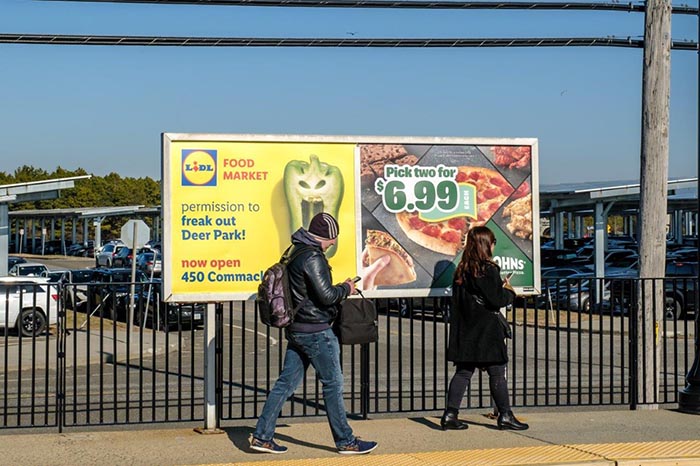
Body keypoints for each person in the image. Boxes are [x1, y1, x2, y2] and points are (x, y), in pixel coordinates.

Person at [251, 212, 379, 455]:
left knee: (284, 384)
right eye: (333, 239)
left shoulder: (294, 251)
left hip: (297, 328)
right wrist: (346, 287)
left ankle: (262, 436)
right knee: (333, 384)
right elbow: (327, 296)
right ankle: (346, 441)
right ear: (326, 237)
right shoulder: (313, 257)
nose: (333, 244)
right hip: (316, 331)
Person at [441, 226, 529, 431]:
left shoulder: (461, 270)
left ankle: (450, 414)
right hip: (486, 331)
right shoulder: (487, 269)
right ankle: (505, 415)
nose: (494, 245)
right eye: (492, 242)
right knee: (497, 372)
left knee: (463, 373)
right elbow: (496, 300)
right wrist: (509, 291)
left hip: (466, 329)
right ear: (485, 245)